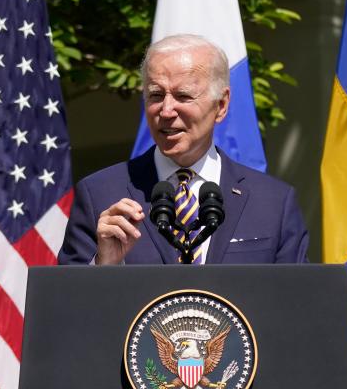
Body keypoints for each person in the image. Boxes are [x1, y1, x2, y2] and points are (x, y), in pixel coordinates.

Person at [58, 34, 308, 265]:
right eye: (156, 95)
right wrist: (103, 266)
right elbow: (65, 304)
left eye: (183, 96)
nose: (166, 111)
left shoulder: (274, 203)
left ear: (221, 106)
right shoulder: (100, 195)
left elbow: (297, 306)